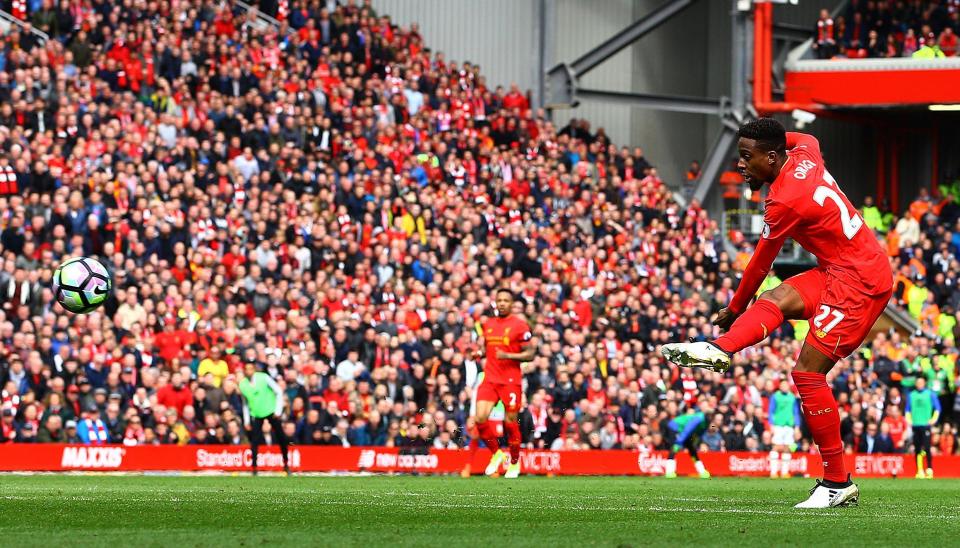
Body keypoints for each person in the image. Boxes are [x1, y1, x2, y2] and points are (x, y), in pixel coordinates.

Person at [662, 118, 893, 508]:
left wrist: (735, 307)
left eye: (747, 157)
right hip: (841, 267)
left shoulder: (785, 198)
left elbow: (759, 261)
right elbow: (807, 137)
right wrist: (767, 138)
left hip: (859, 283)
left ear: (771, 158)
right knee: (781, 296)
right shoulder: (803, 155)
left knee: (807, 372)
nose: (741, 165)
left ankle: (837, 483)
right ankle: (720, 348)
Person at [475, 289, 536, 479]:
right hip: (490, 378)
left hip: (510, 380)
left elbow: (531, 354)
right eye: (499, 300)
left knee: (510, 423)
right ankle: (497, 453)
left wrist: (509, 355)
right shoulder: (489, 324)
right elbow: (488, 350)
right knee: (479, 418)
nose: (501, 303)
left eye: (505, 300)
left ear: (511, 304)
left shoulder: (520, 325)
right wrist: (479, 354)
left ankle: (515, 462)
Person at [239, 361, 290, 475]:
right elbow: (245, 404)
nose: (249, 371)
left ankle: (286, 463)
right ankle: (254, 467)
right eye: (246, 369)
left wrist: (278, 410)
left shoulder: (263, 377)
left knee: (281, 437)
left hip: (271, 411)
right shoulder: (243, 385)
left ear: (254, 370)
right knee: (255, 441)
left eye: (251, 369)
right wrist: (247, 420)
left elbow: (278, 391)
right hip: (256, 413)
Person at [461, 370, 505, 477]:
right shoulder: (482, 375)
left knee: (493, 440)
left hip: (497, 413)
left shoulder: (503, 374)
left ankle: (494, 468)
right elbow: (476, 394)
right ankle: (468, 467)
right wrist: (472, 414)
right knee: (476, 437)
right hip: (482, 412)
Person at [662, 403, 710, 479]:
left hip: (683, 431)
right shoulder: (698, 418)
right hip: (675, 427)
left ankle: (702, 471)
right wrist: (679, 441)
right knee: (675, 447)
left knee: (692, 449)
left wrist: (694, 441)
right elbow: (688, 429)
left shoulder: (706, 422)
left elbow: (699, 433)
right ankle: (669, 471)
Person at [905, 377, 940, 479]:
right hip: (916, 425)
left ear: (924, 383)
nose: (919, 384)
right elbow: (907, 409)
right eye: (918, 382)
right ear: (915, 383)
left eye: (921, 382)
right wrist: (909, 420)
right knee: (917, 448)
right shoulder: (911, 395)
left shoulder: (930, 394)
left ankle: (929, 469)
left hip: (926, 425)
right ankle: (919, 470)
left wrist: (933, 419)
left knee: (927, 447)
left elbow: (937, 408)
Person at [768, 380, 801, 479]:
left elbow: (795, 412)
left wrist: (797, 426)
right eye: (782, 385)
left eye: (786, 385)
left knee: (787, 448)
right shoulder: (775, 396)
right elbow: (771, 410)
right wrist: (771, 425)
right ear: (780, 386)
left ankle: (784, 472)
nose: (784, 387)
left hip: (789, 426)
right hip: (778, 425)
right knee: (776, 447)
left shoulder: (792, 397)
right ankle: (773, 472)